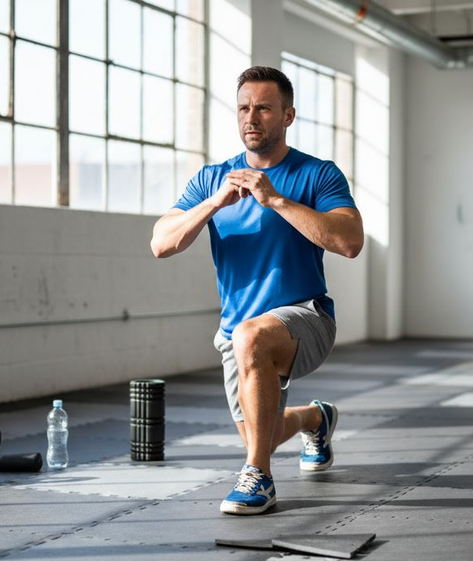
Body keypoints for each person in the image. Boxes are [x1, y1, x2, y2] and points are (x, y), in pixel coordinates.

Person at [150, 66, 363, 515]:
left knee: (252, 341)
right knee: (257, 431)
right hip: (236, 330)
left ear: (288, 115)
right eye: (244, 108)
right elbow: (161, 243)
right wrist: (212, 204)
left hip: (307, 318)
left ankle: (259, 478)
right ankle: (315, 418)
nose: (252, 117)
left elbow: (349, 242)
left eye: (264, 108)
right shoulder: (212, 179)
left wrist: (276, 201)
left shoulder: (317, 175)